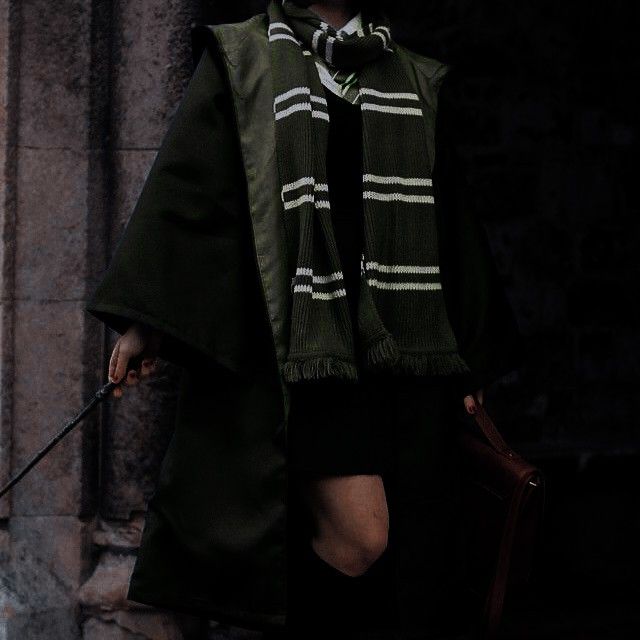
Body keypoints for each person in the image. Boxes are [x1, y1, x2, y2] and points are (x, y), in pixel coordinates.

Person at [86, 1, 524, 638]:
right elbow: (194, 197)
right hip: (306, 355)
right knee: (362, 537)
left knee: (409, 557)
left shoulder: (410, 77)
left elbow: (447, 216)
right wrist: (146, 322)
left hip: (402, 354)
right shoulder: (246, 60)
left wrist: (470, 350)